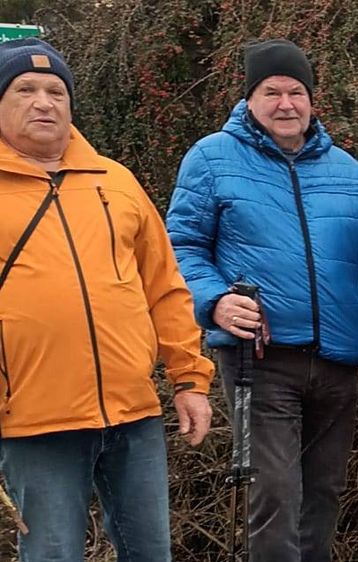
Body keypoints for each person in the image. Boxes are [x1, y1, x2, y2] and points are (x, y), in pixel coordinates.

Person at [166, 39, 358, 562]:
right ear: (249, 98)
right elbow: (180, 246)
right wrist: (215, 300)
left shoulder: (348, 172)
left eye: (296, 92)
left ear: (312, 99)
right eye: (272, 92)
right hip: (259, 360)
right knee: (276, 496)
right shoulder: (212, 158)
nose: (286, 103)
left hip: (337, 361)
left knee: (324, 495)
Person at [0, 38, 214, 561]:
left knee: (151, 554)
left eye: (56, 91)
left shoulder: (115, 181)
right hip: (33, 421)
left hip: (132, 414)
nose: (43, 102)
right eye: (25, 89)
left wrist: (189, 379)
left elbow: (164, 285)